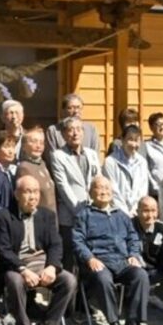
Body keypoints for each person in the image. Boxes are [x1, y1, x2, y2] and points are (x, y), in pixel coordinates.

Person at [0, 175, 76, 325]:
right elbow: (4, 250)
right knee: (15, 281)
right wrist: (23, 269)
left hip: (42, 262)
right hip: (17, 264)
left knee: (69, 280)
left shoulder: (47, 215)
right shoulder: (4, 216)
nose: (33, 196)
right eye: (28, 192)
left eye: (36, 191)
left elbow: (55, 244)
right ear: (17, 194)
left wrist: (52, 267)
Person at [73, 175, 150, 325]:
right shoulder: (84, 215)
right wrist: (89, 258)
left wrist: (133, 255)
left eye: (107, 188)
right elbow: (78, 241)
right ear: (90, 192)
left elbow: (133, 238)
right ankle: (114, 324)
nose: (104, 191)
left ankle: (133, 324)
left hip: (122, 261)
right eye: (99, 188)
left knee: (141, 275)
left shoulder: (121, 215)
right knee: (102, 277)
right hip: (99, 261)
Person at [48, 116, 101, 272]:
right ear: (64, 134)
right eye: (70, 130)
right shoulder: (58, 155)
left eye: (78, 129)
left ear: (83, 133)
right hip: (70, 214)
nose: (75, 133)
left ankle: (86, 296)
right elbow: (63, 185)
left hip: (92, 212)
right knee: (69, 258)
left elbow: (97, 180)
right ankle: (69, 294)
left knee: (89, 257)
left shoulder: (91, 154)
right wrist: (79, 211)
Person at [133, 195, 163, 310]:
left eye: (153, 211)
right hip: (138, 269)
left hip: (157, 269)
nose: (150, 215)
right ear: (137, 211)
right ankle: (147, 295)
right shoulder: (129, 227)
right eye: (145, 211)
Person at [103, 124, 150, 217]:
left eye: (136, 140)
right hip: (116, 213)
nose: (133, 144)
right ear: (122, 140)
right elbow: (113, 191)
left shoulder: (142, 162)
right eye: (130, 140)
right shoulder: (110, 161)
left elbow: (143, 190)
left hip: (137, 213)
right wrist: (125, 214)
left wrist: (136, 210)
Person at [16, 125, 57, 214]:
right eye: (34, 142)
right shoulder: (24, 168)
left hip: (51, 217)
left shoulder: (43, 164)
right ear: (23, 146)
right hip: (39, 219)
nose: (38, 146)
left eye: (41, 143)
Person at [45, 93, 100, 157]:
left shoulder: (91, 129)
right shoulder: (54, 131)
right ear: (63, 110)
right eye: (71, 108)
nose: (76, 111)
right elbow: (51, 157)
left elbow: (95, 156)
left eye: (78, 107)